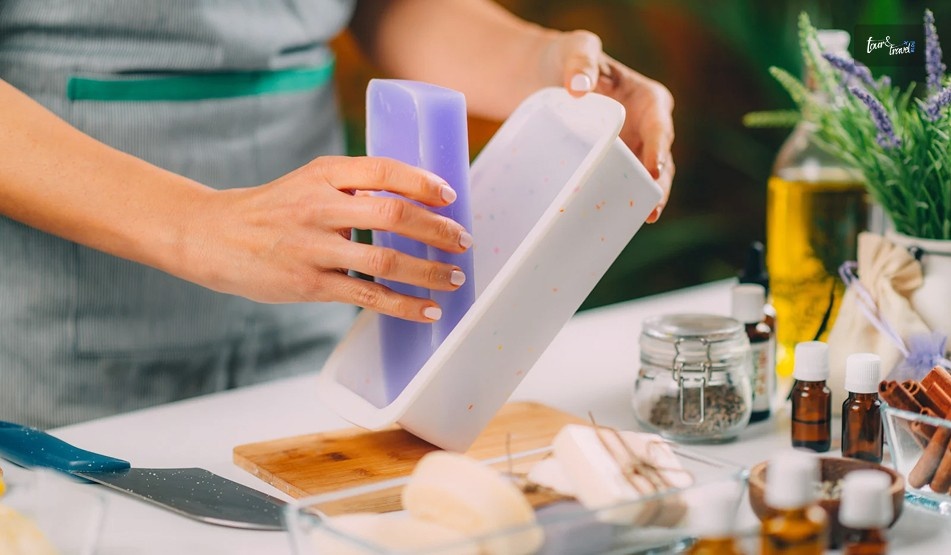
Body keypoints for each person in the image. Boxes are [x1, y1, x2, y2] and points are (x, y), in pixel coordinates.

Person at [0, 0, 674, 428]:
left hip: (313, 327)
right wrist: (198, 223)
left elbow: (386, 6)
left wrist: (537, 60)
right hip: (65, 361)